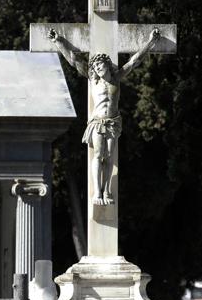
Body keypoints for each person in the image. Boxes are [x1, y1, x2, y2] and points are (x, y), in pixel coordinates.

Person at [50, 27, 162, 205]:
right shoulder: (93, 79)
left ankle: (107, 190)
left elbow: (135, 61)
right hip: (97, 122)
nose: (97, 68)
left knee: (109, 156)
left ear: (107, 64)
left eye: (100, 65)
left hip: (113, 122)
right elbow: (73, 60)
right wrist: (59, 42)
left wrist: (151, 42)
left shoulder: (116, 77)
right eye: (95, 66)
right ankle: (97, 193)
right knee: (98, 155)